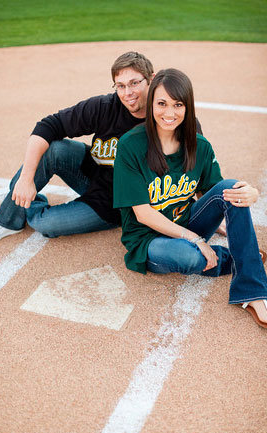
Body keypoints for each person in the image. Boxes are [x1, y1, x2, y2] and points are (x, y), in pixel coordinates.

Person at [113, 68, 267, 329]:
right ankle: (239, 256)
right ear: (151, 105)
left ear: (188, 107)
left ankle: (252, 292)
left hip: (186, 223)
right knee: (191, 257)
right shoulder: (131, 145)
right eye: (161, 104)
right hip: (149, 238)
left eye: (178, 104)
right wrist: (195, 238)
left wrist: (251, 192)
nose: (169, 113)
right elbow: (143, 214)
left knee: (232, 188)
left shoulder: (199, 144)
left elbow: (218, 193)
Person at [0, 51, 156, 245]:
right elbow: (48, 125)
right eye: (121, 85)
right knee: (55, 149)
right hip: (95, 175)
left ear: (151, 79)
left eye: (134, 83)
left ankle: (18, 200)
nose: (127, 93)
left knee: (45, 223)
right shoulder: (106, 106)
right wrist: (26, 180)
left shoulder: (166, 115)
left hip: (116, 203)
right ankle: (9, 218)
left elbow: (191, 153)